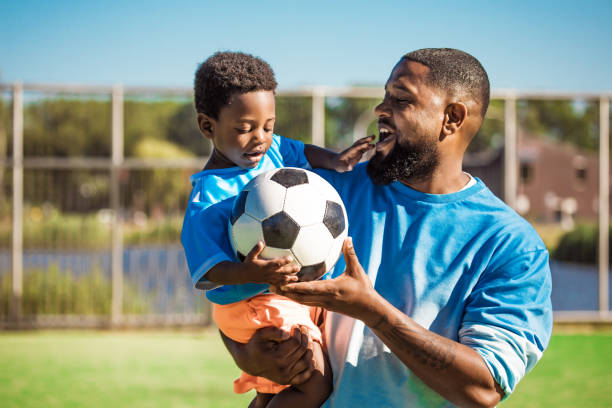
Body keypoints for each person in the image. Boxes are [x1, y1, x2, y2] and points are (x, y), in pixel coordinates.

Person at [222, 48, 553, 407]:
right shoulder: (322, 193)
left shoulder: (510, 245)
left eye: (401, 99)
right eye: (385, 95)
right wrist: (244, 351)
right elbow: (231, 286)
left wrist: (372, 311)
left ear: (452, 118)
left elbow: (484, 387)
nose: (381, 109)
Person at [180, 51, 374, 408]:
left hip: (279, 298)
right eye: (244, 129)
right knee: (312, 384)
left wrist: (334, 160)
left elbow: (298, 150)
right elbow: (207, 269)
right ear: (208, 126)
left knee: (277, 389)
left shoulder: (273, 155)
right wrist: (248, 271)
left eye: (268, 126)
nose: (260, 139)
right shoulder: (208, 197)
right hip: (252, 303)